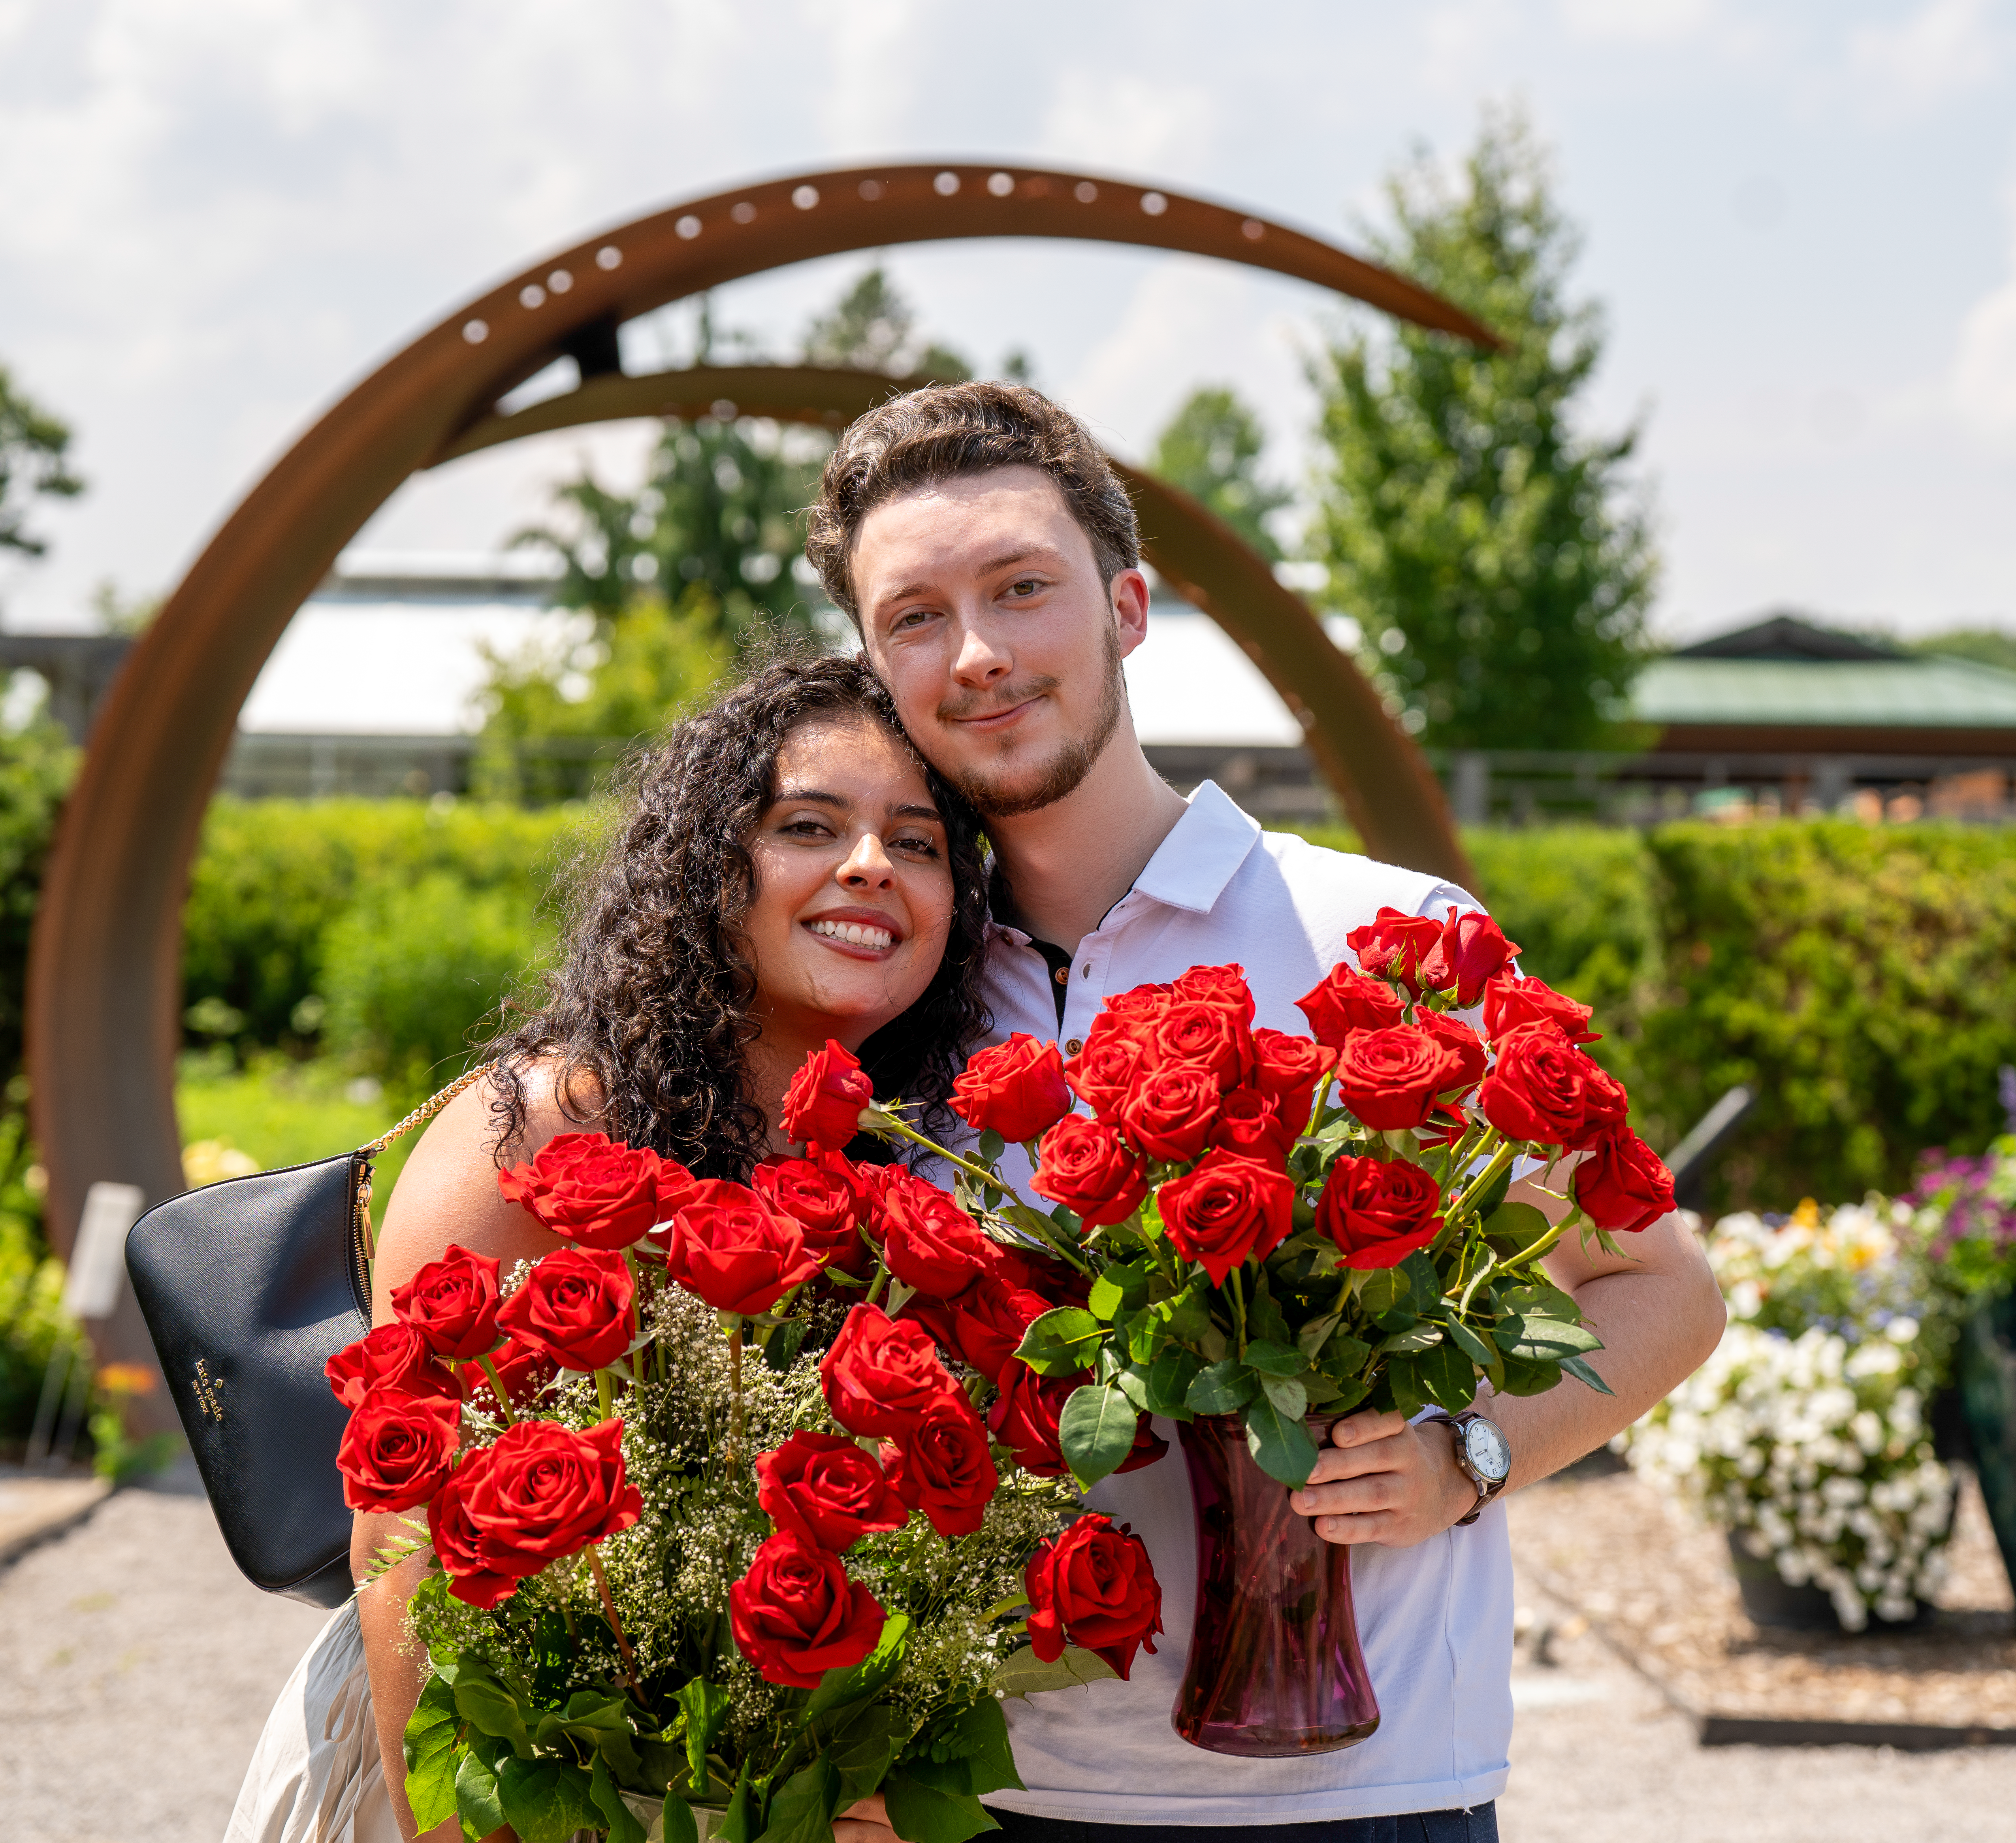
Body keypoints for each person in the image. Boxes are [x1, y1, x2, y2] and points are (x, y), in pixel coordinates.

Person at [805, 382, 1728, 1843]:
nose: (975, 653)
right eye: (915, 616)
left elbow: (1665, 1291)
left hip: (1362, 1798)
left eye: (1020, 590)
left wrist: (1466, 1458)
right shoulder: (880, 983)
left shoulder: (1384, 938)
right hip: (985, 1797)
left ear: (1126, 609)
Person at [226, 654, 993, 1843]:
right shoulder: (548, 1126)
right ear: (709, 866)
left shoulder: (897, 1167)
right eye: (808, 825)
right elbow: (402, 1528)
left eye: (919, 841)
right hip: (487, 1771)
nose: (870, 867)